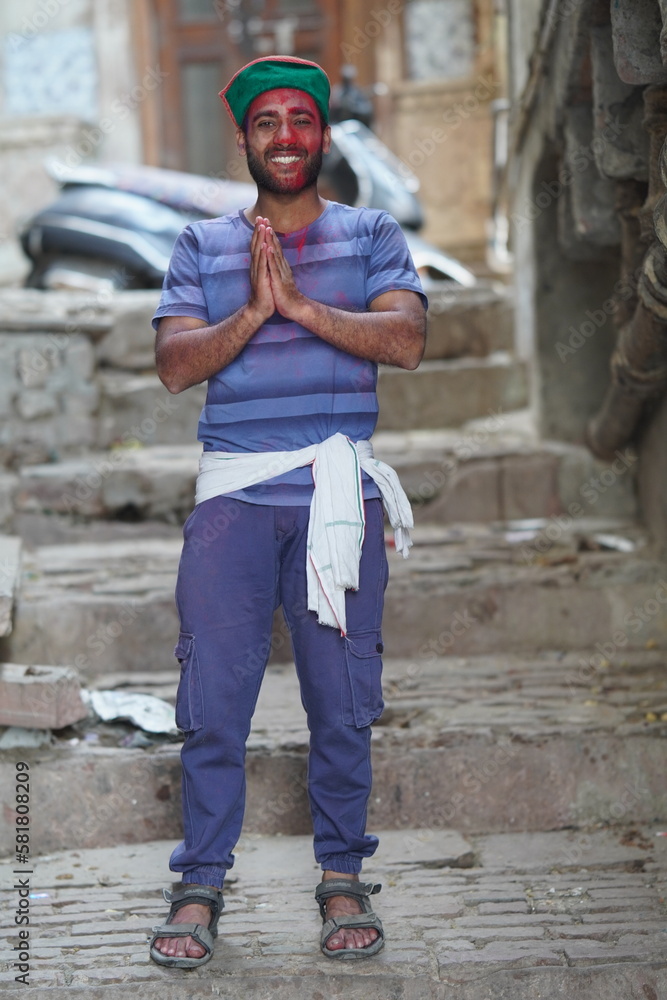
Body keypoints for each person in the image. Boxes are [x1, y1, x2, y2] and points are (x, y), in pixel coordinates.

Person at [148, 55, 427, 968]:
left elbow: (407, 339)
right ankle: (200, 886)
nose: (284, 137)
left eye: (299, 119)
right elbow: (175, 364)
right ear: (245, 140)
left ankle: (341, 877)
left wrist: (300, 307)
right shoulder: (202, 246)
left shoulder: (372, 232)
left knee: (342, 705)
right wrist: (251, 313)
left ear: (320, 135)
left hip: (332, 499)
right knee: (213, 702)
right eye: (265, 122)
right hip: (233, 500)